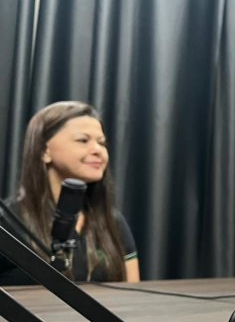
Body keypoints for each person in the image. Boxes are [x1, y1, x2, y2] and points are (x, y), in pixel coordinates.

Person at [0, 101, 140, 285]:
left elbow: (133, 293)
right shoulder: (7, 221)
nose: (98, 150)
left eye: (102, 143)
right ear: (44, 151)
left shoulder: (113, 222)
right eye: (83, 140)